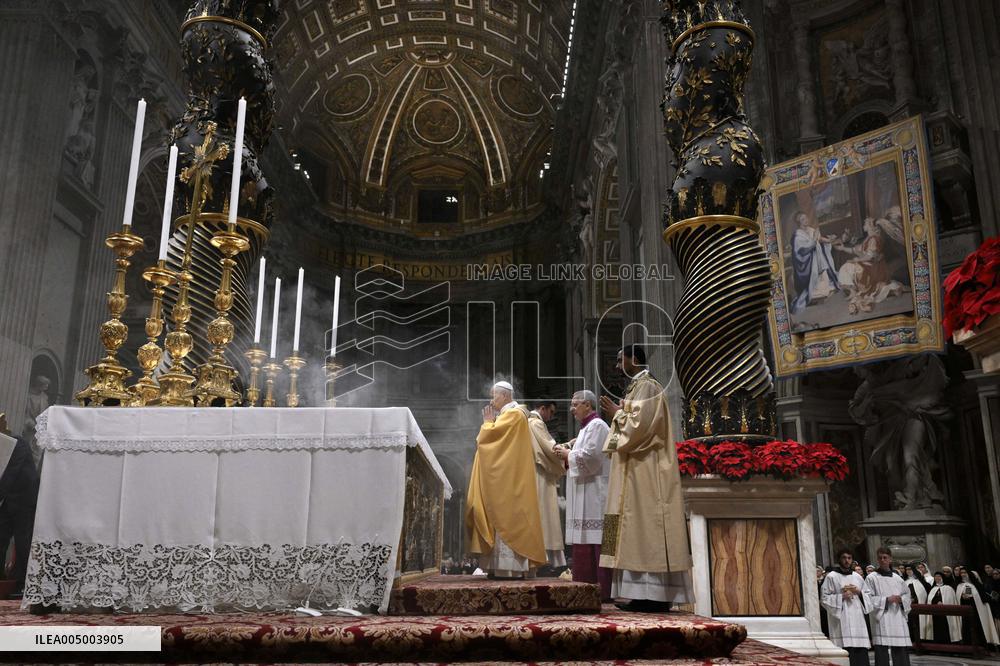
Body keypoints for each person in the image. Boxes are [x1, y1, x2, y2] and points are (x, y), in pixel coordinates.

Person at [598, 345, 692, 613]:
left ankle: (656, 595)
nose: (617, 366)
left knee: (644, 528)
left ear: (634, 359)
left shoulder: (648, 387)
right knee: (630, 531)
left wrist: (616, 413)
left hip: (647, 471)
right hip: (633, 470)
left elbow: (640, 428)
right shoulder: (635, 388)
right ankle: (639, 594)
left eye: (620, 360)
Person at [465, 380, 546, 579]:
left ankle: (510, 568)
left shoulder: (513, 414)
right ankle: (499, 567)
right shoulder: (511, 415)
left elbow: (487, 441)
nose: (492, 400)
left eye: (494, 395)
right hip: (506, 477)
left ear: (505, 396)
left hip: (508, 480)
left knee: (506, 518)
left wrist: (486, 424)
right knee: (500, 518)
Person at [553, 390, 611, 600]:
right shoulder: (587, 428)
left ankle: (603, 590)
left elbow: (592, 458)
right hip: (587, 493)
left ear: (588, 405)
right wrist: (569, 449)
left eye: (575, 404)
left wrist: (569, 454)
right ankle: (586, 588)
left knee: (600, 541)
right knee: (586, 540)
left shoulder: (597, 426)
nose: (571, 409)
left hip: (597, 495)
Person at [0, 413, 40, 598]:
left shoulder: (18, 443)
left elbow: (10, 474)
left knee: (23, 542)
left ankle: (22, 583)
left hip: (25, 500)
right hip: (7, 500)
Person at [526, 400, 566, 570]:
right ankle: (544, 558)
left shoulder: (528, 422)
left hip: (533, 472)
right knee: (545, 514)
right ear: (542, 408)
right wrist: (568, 449)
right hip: (540, 473)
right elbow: (550, 449)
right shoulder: (535, 423)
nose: (552, 416)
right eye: (551, 412)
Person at [836, 216, 905, 315]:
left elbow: (870, 256)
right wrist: (843, 248)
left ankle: (855, 292)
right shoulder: (869, 238)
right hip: (869, 265)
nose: (864, 226)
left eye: (865, 224)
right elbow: (855, 250)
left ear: (869, 226)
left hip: (874, 268)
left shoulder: (874, 239)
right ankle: (853, 291)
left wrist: (857, 259)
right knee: (848, 266)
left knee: (850, 267)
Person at [821, 548, 871, 666]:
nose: (847, 561)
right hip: (842, 618)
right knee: (845, 649)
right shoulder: (831, 577)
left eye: (849, 558)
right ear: (839, 559)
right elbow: (824, 598)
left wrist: (859, 592)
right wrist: (841, 596)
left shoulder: (857, 577)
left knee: (860, 651)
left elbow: (869, 596)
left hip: (858, 618)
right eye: (844, 558)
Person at [862, 547, 911, 665]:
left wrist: (901, 600)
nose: (883, 560)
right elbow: (867, 598)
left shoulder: (898, 578)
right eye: (880, 558)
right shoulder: (871, 578)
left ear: (890, 559)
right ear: (877, 560)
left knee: (900, 647)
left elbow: (907, 595)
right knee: (882, 648)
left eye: (885, 557)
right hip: (882, 618)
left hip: (898, 617)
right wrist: (886, 600)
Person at [790, 210, 840, 314]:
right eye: (803, 219)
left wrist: (829, 240)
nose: (806, 220)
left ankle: (824, 291)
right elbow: (802, 251)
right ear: (799, 222)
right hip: (809, 263)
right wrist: (813, 241)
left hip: (818, 257)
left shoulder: (811, 229)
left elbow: (820, 239)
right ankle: (815, 293)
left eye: (806, 218)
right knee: (815, 281)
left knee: (825, 276)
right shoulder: (798, 235)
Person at [957, 570, 1000, 647]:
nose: (963, 574)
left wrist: (971, 597)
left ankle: (981, 645)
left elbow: (982, 598)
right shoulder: (959, 586)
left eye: (965, 572)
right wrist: (962, 597)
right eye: (961, 573)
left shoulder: (976, 585)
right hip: (964, 612)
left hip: (977, 611)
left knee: (977, 627)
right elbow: (957, 599)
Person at [924, 572, 962, 644]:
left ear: (942, 577)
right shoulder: (933, 589)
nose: (937, 578)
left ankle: (948, 642)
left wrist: (943, 603)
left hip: (946, 614)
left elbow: (951, 600)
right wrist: (936, 602)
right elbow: (930, 600)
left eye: (939, 576)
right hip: (935, 613)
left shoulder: (948, 588)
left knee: (945, 628)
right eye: (935, 576)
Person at [22, 375, 50, 469]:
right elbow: (24, 413)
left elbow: (46, 413)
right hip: (29, 429)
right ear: (39, 385)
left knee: (37, 455)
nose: (47, 387)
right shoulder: (28, 395)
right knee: (26, 452)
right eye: (45, 385)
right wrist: (31, 424)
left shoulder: (44, 397)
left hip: (40, 430)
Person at [904, 564, 930, 642]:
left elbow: (921, 593)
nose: (908, 571)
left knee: (918, 625)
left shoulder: (919, 581)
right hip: (907, 607)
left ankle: (920, 642)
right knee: (909, 625)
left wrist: (914, 599)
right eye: (907, 569)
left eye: (910, 569)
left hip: (917, 606)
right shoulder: (905, 582)